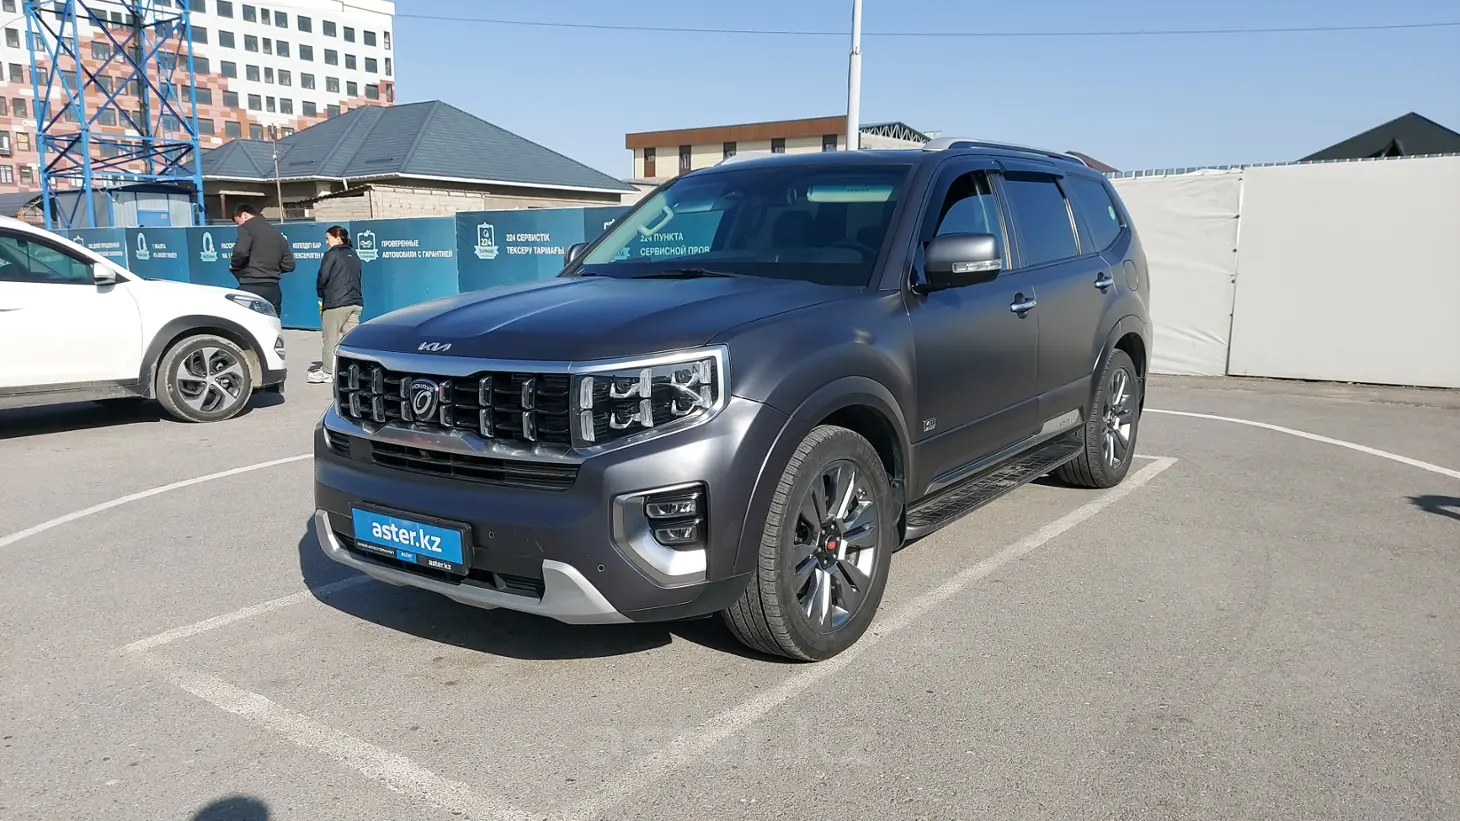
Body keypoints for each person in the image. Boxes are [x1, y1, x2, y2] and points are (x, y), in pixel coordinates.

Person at [310, 225, 363, 384]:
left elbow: (323, 276)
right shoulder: (354, 255)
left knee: (330, 339)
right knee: (352, 341)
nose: (326, 242)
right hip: (355, 302)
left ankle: (327, 371)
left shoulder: (331, 254)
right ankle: (355, 371)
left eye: (328, 238)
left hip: (336, 303)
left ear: (338, 239)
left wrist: (322, 293)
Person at [228, 203, 296, 315]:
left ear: (244, 215)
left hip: (250, 285)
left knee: (244, 322)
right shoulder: (277, 234)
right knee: (272, 322)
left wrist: (235, 266)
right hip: (273, 289)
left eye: (238, 222)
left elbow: (241, 251)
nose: (238, 225)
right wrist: (271, 270)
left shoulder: (247, 227)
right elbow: (289, 265)